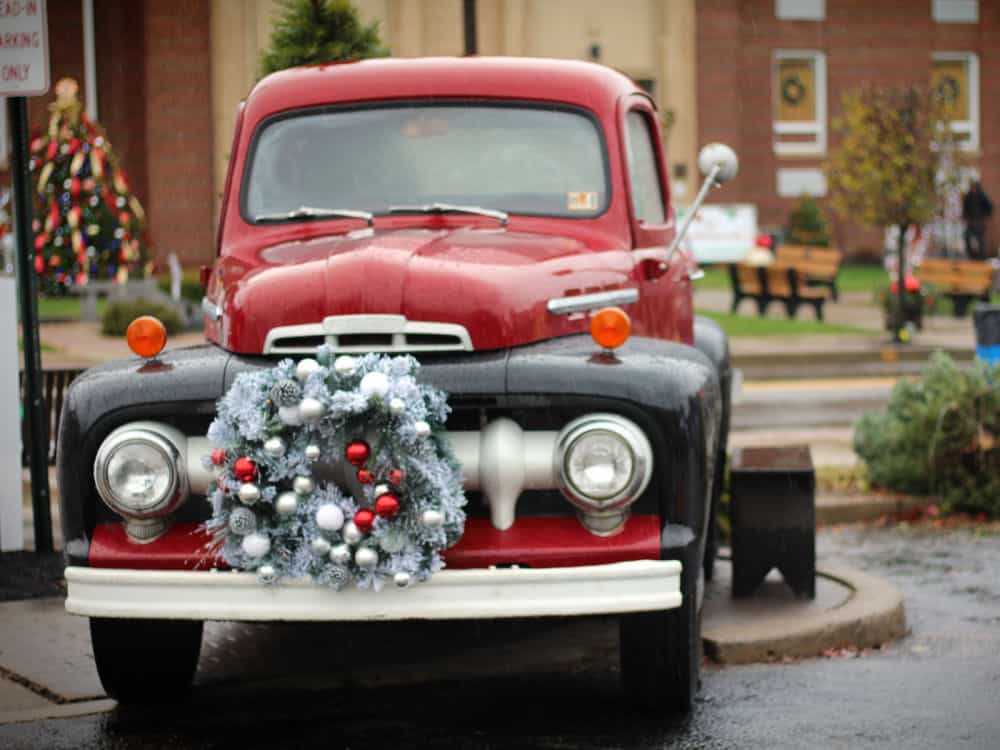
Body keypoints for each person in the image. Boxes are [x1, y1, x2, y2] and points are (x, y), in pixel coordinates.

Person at [961, 181, 994, 260]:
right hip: (971, 222)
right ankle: (972, 255)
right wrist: (965, 217)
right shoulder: (969, 196)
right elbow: (965, 208)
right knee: (967, 236)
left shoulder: (982, 196)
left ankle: (981, 257)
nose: (973, 189)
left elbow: (990, 207)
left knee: (980, 240)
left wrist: (985, 216)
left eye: (974, 187)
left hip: (980, 222)